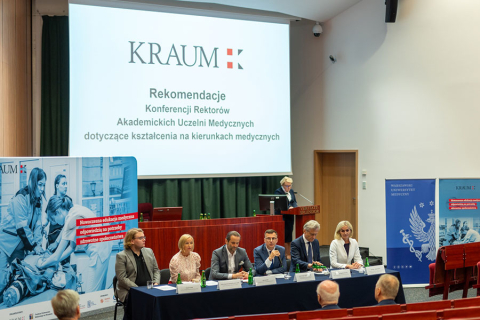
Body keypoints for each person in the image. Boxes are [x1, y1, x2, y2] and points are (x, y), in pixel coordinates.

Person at [36, 196, 112, 293]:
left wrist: (42, 265)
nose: (55, 223)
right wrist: (55, 261)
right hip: (105, 248)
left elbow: (56, 256)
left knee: (90, 296)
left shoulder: (70, 220)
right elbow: (71, 248)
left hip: (99, 253)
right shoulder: (74, 210)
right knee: (99, 293)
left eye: (53, 219)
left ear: (58, 212)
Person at [0, 167, 46, 294]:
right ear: (33, 183)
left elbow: (37, 225)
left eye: (44, 185)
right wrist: (33, 246)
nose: (42, 189)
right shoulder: (21, 198)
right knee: (1, 281)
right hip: (5, 244)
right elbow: (22, 228)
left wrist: (37, 245)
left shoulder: (38, 201)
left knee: (19, 278)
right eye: (40, 185)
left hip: (19, 247)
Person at [115, 228, 160, 320]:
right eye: (140, 238)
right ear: (132, 241)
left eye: (144, 237)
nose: (144, 239)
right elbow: (122, 278)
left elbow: (156, 270)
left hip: (150, 288)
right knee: (141, 301)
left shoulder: (149, 252)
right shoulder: (121, 256)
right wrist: (138, 290)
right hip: (130, 290)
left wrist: (156, 283)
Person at [47, 174, 72, 253]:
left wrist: (56, 243)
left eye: (66, 184)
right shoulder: (52, 200)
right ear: (57, 185)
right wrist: (42, 226)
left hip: (63, 238)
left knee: (63, 264)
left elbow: (66, 225)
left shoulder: (68, 201)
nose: (66, 186)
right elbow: (47, 217)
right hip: (52, 237)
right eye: (63, 184)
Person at [274, 176, 297, 259]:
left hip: (290, 216)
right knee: (283, 235)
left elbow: (294, 202)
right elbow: (280, 204)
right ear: (283, 185)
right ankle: (284, 254)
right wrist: (288, 208)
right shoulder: (278, 192)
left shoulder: (291, 191)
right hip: (282, 216)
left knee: (289, 235)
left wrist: (294, 207)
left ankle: (289, 253)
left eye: (290, 185)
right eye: (287, 186)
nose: (289, 187)